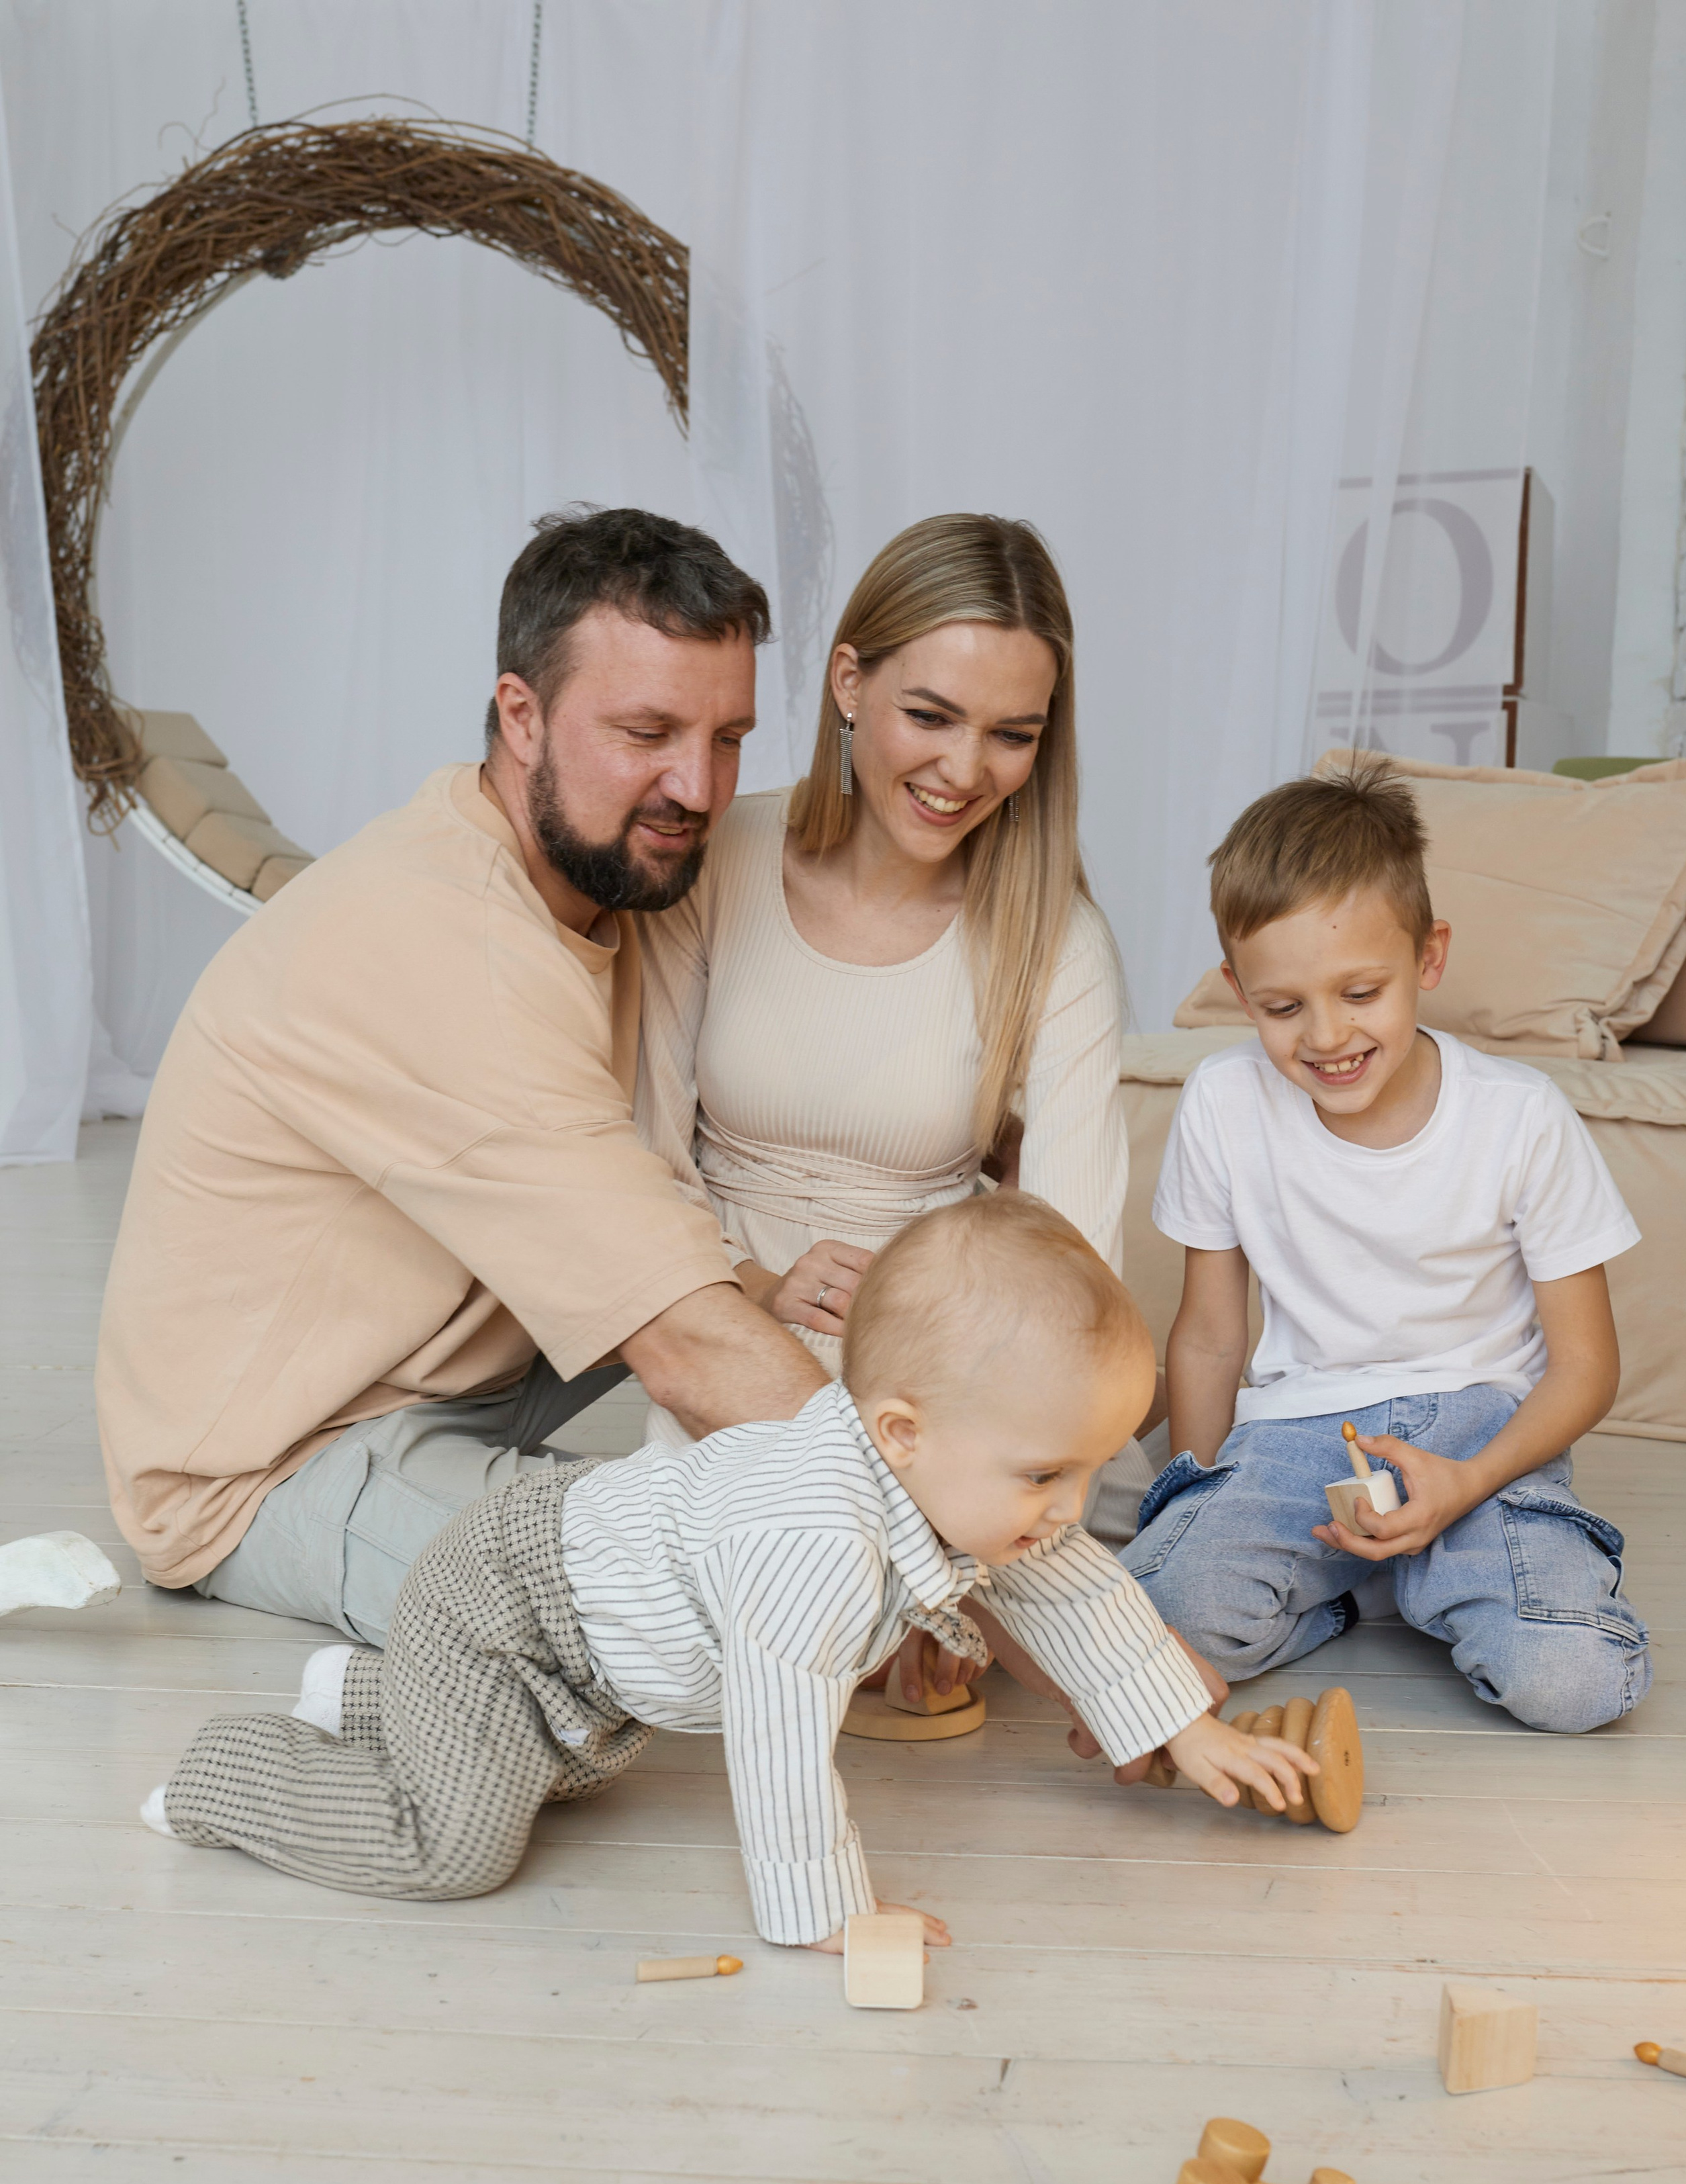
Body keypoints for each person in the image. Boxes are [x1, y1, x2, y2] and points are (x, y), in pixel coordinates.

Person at [142, 1193, 1317, 1940]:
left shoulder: (949, 1481)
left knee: (580, 1768)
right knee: (455, 1848)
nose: (1069, 1512)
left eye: (1089, 1473)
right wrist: (829, 1916)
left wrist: (1183, 1729)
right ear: (902, 1431)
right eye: (1047, 1477)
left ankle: (373, 1699)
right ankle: (230, 1772)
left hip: (587, 1659)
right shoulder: (813, 1549)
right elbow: (778, 1743)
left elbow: (1069, 1586)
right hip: (508, 1607)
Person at [96, 508, 828, 1650]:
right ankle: (312, 1744)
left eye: (728, 736)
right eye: (647, 732)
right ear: (521, 716)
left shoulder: (596, 871)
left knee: (802, 1355)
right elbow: (683, 1345)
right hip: (275, 1457)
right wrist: (975, 1561)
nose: (698, 786)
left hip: (460, 1357)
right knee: (667, 1624)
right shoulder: (448, 941)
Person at [632, 516, 1144, 1691]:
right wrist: (749, 1285)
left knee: (979, 1546)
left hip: (938, 1350)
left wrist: (976, 1438)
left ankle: (1035, 1627)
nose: (966, 772)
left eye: (1013, 735)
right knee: (730, 1608)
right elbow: (642, 1150)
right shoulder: (720, 854)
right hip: (718, 1311)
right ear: (849, 681)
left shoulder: (1057, 935)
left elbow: (1070, 1262)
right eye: (932, 716)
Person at [1121, 756, 1651, 1734]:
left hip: (1484, 1439)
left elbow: (1585, 1368)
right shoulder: (1224, 1104)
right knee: (1145, 1621)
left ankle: (1431, 1570)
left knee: (1575, 1683)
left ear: (1429, 957)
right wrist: (1193, 1507)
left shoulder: (1521, 1117)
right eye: (1283, 1008)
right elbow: (1206, 1338)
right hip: (1295, 1438)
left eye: (1361, 991)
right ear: (1240, 991)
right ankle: (1360, 1586)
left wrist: (1467, 1486)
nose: (1326, 1037)